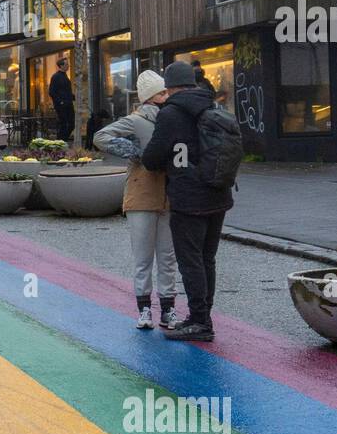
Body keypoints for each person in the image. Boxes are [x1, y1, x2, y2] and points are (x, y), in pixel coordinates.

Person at [141, 60, 241, 343]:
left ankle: (199, 321)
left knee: (190, 261)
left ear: (169, 87)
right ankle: (203, 315)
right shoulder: (212, 105)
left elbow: (152, 158)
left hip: (188, 198)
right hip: (219, 194)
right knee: (207, 259)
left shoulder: (171, 113)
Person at [94, 70, 180, 331]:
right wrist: (134, 153)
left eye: (166, 91)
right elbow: (100, 137)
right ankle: (144, 309)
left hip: (168, 196)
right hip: (141, 195)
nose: (167, 96)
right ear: (150, 97)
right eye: (162, 92)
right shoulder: (135, 120)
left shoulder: (173, 119)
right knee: (143, 258)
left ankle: (168, 310)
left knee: (167, 257)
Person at [49, 56, 75, 142]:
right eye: (67, 64)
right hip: (62, 105)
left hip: (68, 103)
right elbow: (52, 92)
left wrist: (73, 97)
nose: (68, 66)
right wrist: (60, 102)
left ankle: (62, 141)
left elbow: (65, 90)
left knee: (71, 124)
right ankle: (60, 142)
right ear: (61, 66)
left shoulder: (65, 76)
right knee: (64, 124)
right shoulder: (56, 77)